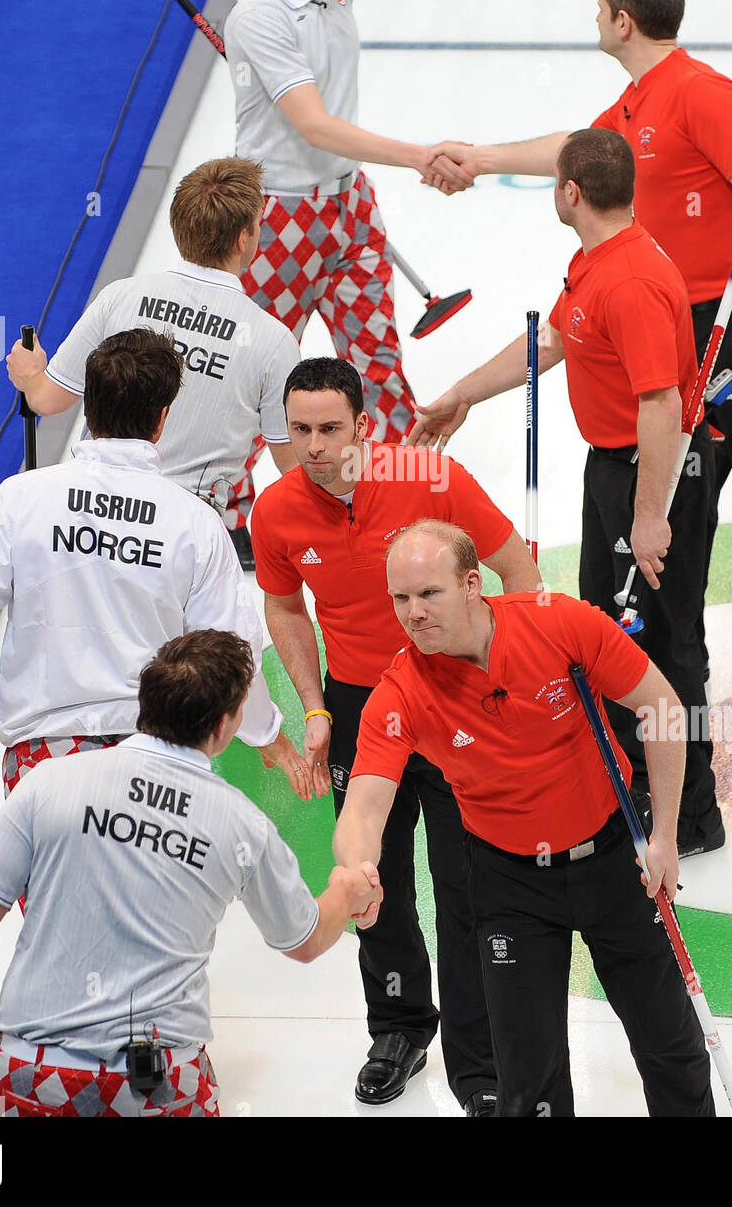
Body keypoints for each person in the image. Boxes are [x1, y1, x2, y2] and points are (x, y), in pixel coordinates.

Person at [424, 0, 732, 740]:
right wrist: (485, 158)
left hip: (731, 329)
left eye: (599, 5)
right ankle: (658, 696)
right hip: (678, 321)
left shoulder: (701, 92)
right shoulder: (638, 102)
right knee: (690, 512)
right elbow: (576, 146)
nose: (594, 16)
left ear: (622, 20)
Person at [334, 521, 714, 1118]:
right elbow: (364, 803)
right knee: (527, 1082)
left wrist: (664, 834)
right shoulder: (400, 692)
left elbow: (661, 706)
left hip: (615, 858)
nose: (414, 614)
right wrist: (356, 866)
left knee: (671, 1045)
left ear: (470, 583)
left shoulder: (558, 623)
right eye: (400, 599)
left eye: (428, 594)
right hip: (508, 885)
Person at [412, 129, 722, 855]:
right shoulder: (596, 260)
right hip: (614, 469)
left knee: (667, 645)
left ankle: (694, 813)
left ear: (571, 193)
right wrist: (464, 394)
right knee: (609, 632)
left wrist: (649, 517)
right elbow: (552, 343)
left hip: (654, 474)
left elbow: (661, 408)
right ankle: (630, 781)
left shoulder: (633, 280)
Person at [250, 357, 540, 1113]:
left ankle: (480, 1064)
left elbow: (516, 570)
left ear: (364, 428)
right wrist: (313, 707)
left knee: (464, 885)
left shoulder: (431, 479)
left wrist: (499, 681)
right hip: (356, 707)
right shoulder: (276, 511)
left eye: (328, 429)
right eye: (298, 429)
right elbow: (285, 609)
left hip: (449, 705)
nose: (311, 446)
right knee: (368, 880)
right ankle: (401, 1028)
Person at [0, 629, 381, 1118]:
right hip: (161, 1087)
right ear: (226, 724)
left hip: (31, 1076)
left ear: (143, 703)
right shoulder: (241, 824)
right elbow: (304, 939)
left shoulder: (48, 783)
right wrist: (347, 888)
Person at [0, 328, 310, 799]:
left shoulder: (19, 499)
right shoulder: (194, 522)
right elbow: (233, 649)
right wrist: (266, 733)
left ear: (88, 408)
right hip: (160, 764)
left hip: (42, 765)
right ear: (162, 418)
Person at [220, 0, 472, 558]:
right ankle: (233, 511)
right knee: (264, 369)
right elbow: (316, 127)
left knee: (378, 363)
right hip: (278, 217)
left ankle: (398, 497)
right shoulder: (259, 18)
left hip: (349, 205)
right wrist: (420, 157)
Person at [5, 156, 302, 569]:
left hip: (91, 524)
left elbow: (48, 401)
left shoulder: (120, 296)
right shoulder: (273, 341)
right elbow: (293, 466)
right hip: (185, 536)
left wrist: (30, 372)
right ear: (243, 240)